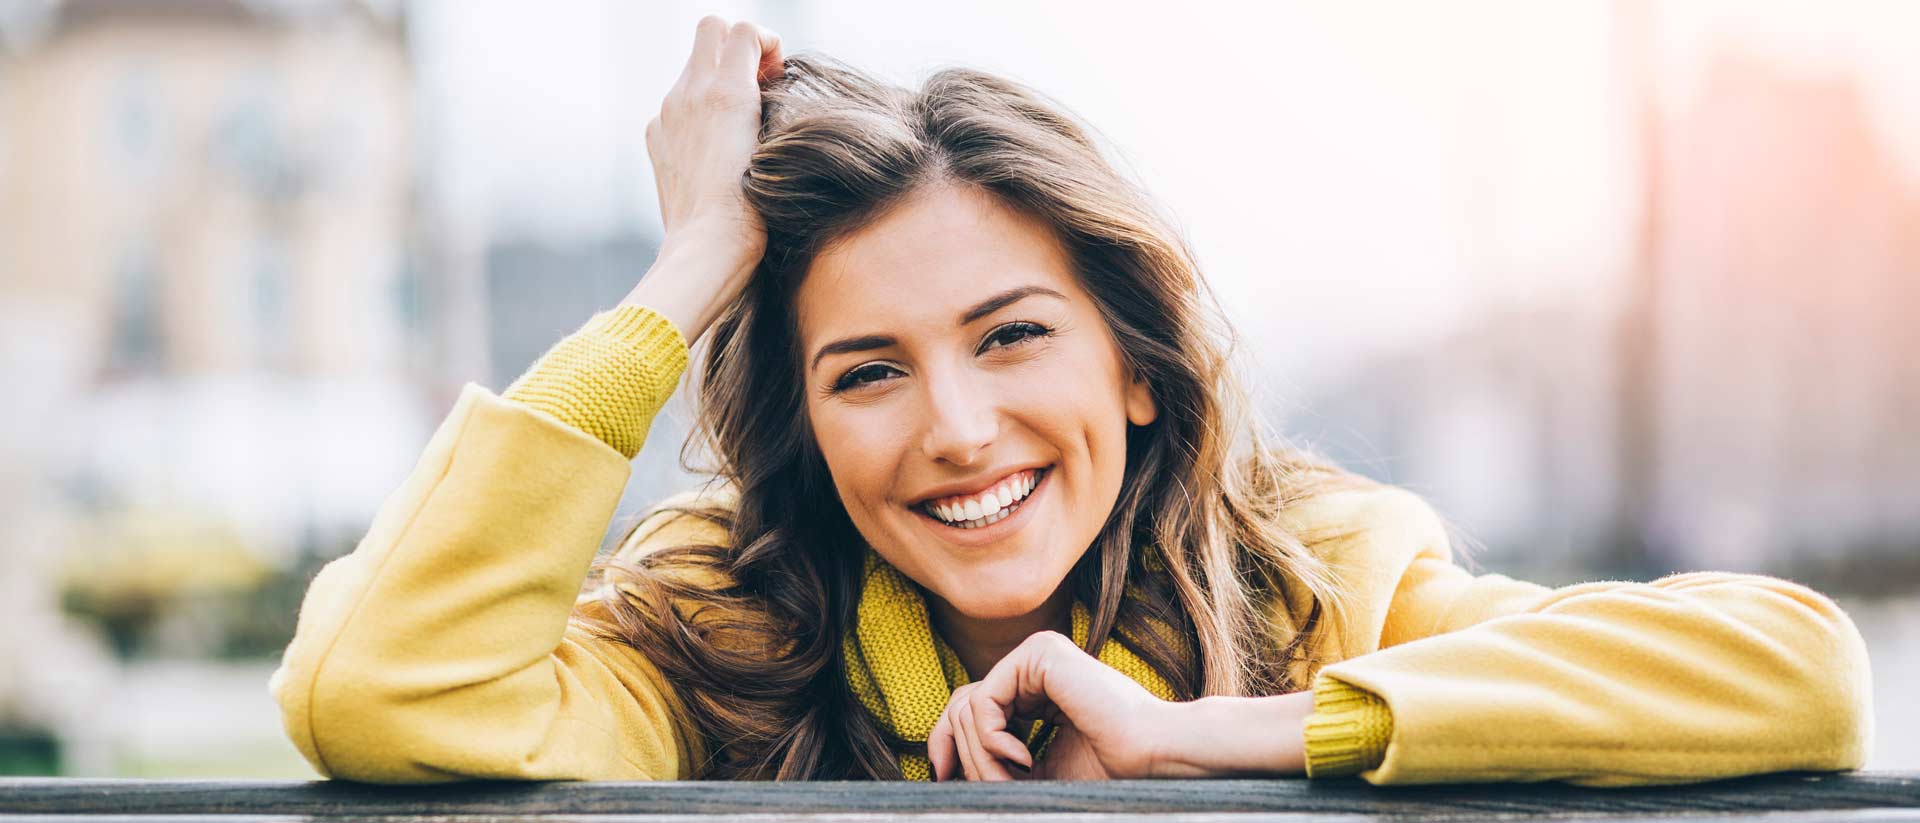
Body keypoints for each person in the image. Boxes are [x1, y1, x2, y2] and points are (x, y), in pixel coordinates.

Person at [269, 17, 1872, 784]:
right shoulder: (720, 646)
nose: (956, 426)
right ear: (804, 429)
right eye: (868, 371)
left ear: (1140, 369)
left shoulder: (1318, 588)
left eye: (1014, 336)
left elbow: (1796, 672)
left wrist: (1206, 740)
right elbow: (378, 689)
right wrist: (693, 261)